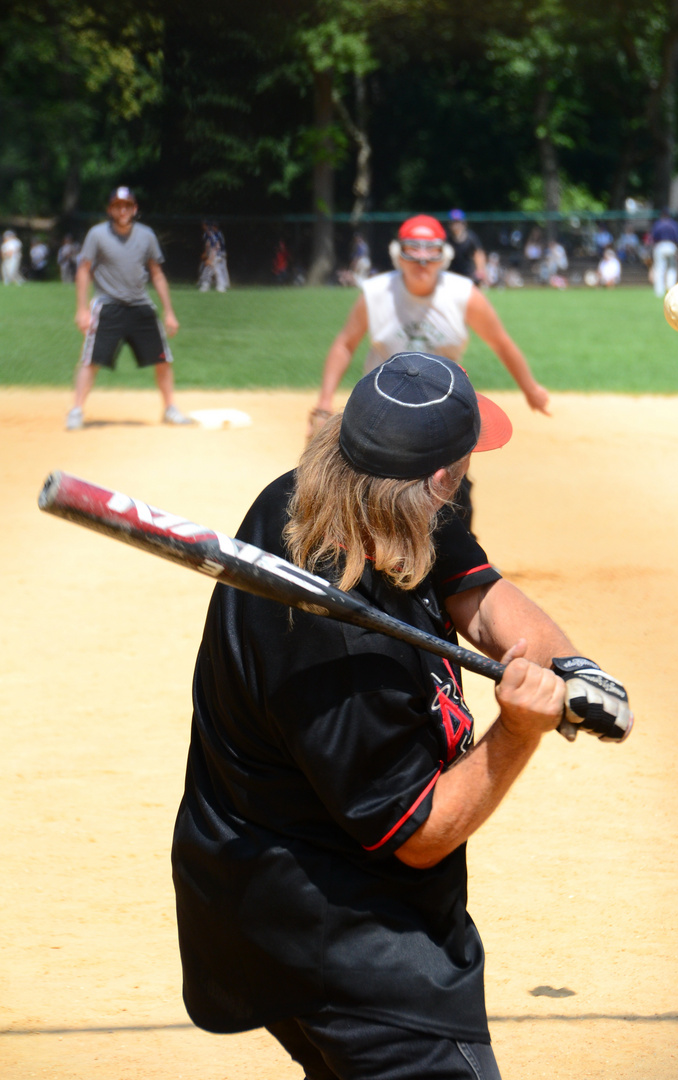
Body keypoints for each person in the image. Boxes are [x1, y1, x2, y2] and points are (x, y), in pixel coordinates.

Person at [172, 351, 632, 1080]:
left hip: (270, 886)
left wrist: (570, 667)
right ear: (440, 476)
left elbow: (476, 591)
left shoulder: (357, 491)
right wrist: (516, 732)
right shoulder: (342, 643)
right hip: (337, 933)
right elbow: (416, 832)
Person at [309, 215, 550, 440]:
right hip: (381, 404)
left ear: (443, 255)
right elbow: (345, 344)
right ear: (398, 254)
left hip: (443, 406)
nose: (422, 261)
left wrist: (531, 389)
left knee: (449, 480)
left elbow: (501, 343)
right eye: (413, 250)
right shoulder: (376, 293)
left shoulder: (464, 295)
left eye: (431, 251)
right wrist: (324, 405)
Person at [66, 186, 192, 431]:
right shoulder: (97, 234)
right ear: (110, 209)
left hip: (140, 306)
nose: (122, 210)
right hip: (107, 306)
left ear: (134, 209)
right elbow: (83, 270)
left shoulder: (146, 235)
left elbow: (157, 273)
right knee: (90, 359)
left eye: (127, 205)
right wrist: (81, 309)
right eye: (117, 206)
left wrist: (169, 312)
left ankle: (170, 409)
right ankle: (76, 410)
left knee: (163, 360)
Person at [447, 209, 487, 285]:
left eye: (458, 222)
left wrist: (480, 271)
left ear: (463, 223)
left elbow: (478, 254)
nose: (456, 225)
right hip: (451, 275)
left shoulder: (471, 237)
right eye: (454, 222)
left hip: (468, 275)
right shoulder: (447, 239)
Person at [650, 209, 678, 298]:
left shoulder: (658, 224)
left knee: (660, 269)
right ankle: (671, 289)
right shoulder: (673, 224)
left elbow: (653, 238)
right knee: (671, 269)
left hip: (660, 246)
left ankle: (659, 292)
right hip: (671, 246)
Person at [198, 220, 229, 293]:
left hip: (215, 255)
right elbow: (209, 247)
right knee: (216, 270)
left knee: (209, 270)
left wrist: (210, 259)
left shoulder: (211, 236)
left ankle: (206, 286)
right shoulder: (211, 235)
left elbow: (214, 248)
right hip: (215, 254)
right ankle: (220, 286)